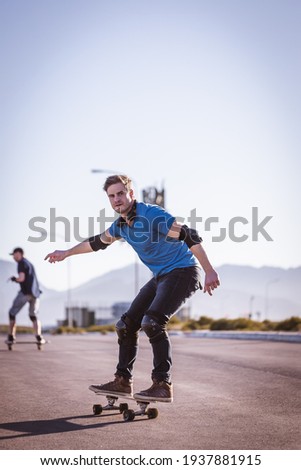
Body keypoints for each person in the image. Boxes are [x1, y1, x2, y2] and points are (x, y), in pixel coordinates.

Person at [45, 175, 220, 402]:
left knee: (153, 322)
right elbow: (97, 243)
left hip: (183, 271)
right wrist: (67, 252)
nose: (117, 199)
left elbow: (189, 234)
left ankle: (162, 384)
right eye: (111, 196)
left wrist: (209, 270)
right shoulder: (120, 226)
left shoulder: (151, 215)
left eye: (120, 193)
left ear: (131, 194)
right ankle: (122, 381)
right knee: (126, 325)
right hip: (161, 276)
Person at [6, 247, 45, 345]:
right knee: (33, 316)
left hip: (25, 293)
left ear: (18, 253)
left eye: (14, 255)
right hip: (35, 294)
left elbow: (22, 278)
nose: (13, 257)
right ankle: (39, 336)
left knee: (12, 313)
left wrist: (15, 279)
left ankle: (11, 336)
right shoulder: (29, 263)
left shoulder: (21, 263)